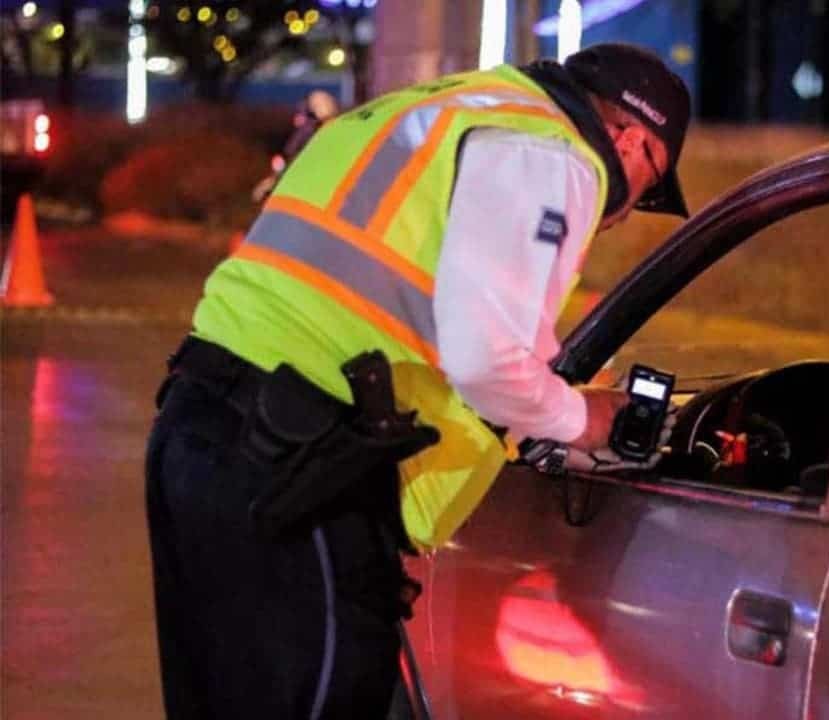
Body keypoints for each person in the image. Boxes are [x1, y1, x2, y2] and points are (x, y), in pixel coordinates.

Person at [145, 43, 691, 719]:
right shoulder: (553, 154)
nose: (628, 212)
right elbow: (488, 361)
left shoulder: (432, 111)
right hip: (298, 462)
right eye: (650, 182)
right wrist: (589, 421)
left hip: (195, 428)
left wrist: (535, 414)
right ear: (629, 140)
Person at [251, 90, 341, 203]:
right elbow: (290, 158)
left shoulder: (335, 135)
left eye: (323, 103)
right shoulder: (306, 133)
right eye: (316, 105)